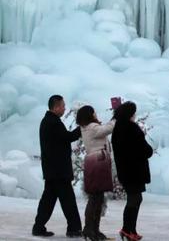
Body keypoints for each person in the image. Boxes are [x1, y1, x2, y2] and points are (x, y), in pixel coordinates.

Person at [32, 95, 83, 238]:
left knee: (47, 201)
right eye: (62, 106)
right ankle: (74, 229)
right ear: (55, 107)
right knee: (68, 200)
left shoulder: (47, 121)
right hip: (59, 170)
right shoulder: (53, 122)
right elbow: (68, 137)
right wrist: (82, 128)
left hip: (51, 170)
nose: (64, 108)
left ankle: (38, 227)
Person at [111, 102, 153, 241]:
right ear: (130, 114)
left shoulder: (118, 128)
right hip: (134, 171)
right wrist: (147, 151)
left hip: (125, 170)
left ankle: (130, 229)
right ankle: (128, 230)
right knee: (134, 199)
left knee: (134, 198)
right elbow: (145, 149)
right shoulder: (131, 129)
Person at [76, 105, 116, 241]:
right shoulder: (92, 127)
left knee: (97, 197)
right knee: (95, 198)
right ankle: (90, 229)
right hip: (98, 162)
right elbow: (108, 128)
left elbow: (104, 129)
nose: (95, 114)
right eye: (94, 112)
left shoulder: (86, 127)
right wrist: (116, 117)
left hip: (95, 162)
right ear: (90, 115)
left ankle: (93, 229)